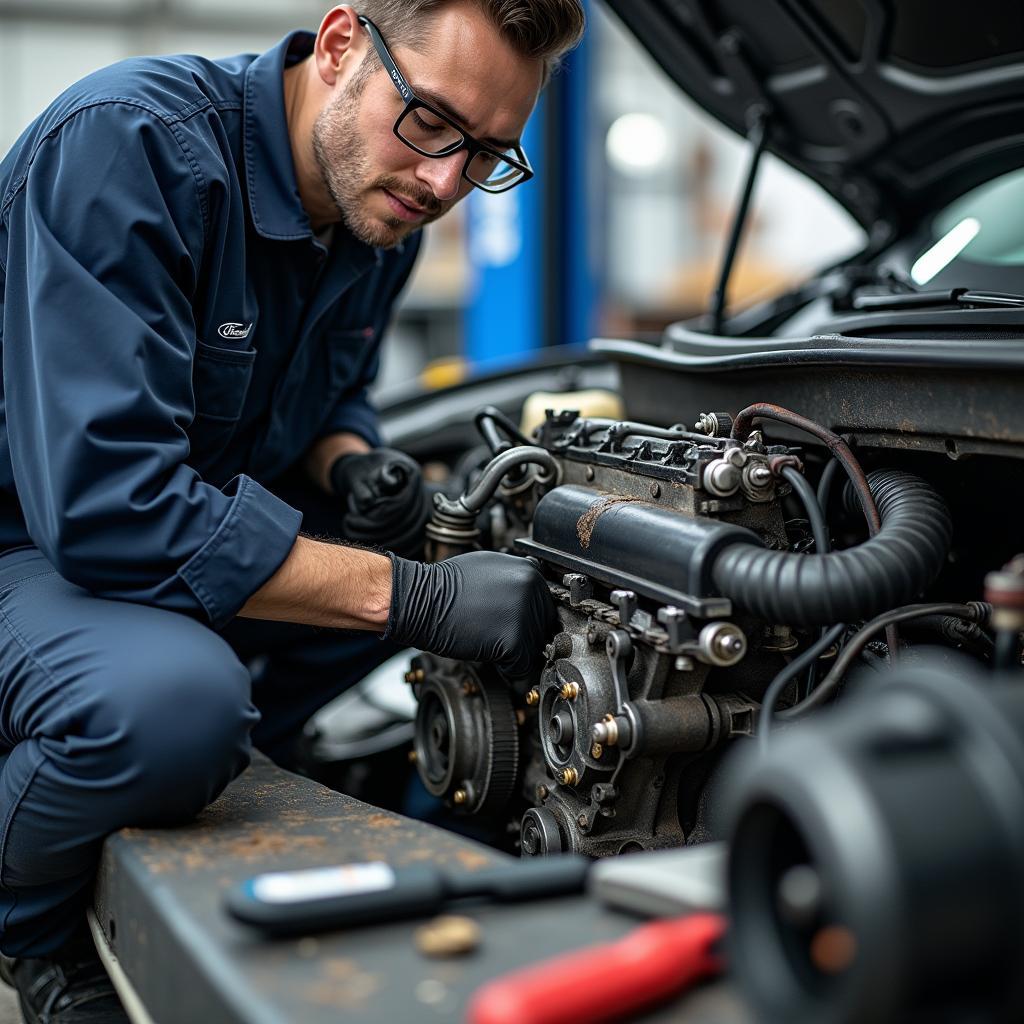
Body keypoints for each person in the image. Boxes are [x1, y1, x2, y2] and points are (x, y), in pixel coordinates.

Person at [0, 0, 585, 1019]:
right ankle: (29, 920)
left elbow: (328, 392)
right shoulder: (128, 147)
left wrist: (356, 464)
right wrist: (419, 598)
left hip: (164, 529)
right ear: (340, 43)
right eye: (431, 122)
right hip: (35, 541)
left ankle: (232, 761)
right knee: (171, 706)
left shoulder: (381, 208)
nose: (446, 182)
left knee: (412, 538)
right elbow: (108, 510)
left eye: (488, 154)